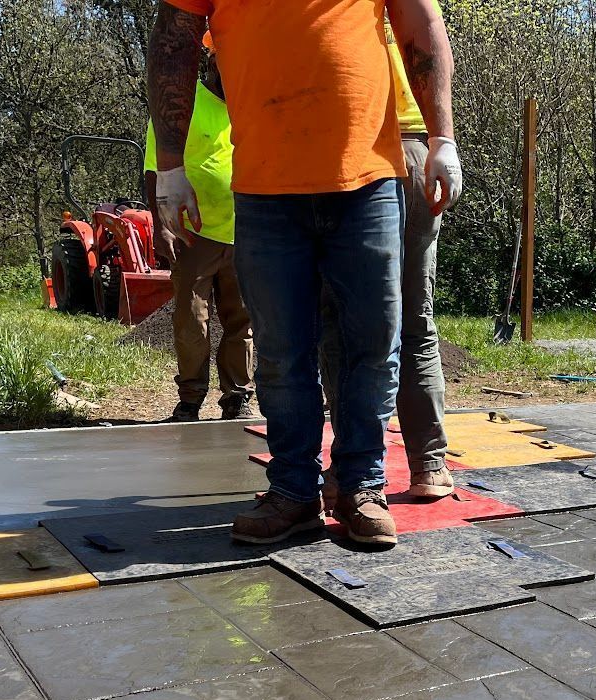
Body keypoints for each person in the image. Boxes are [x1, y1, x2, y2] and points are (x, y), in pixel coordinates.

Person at [147, 0, 461, 548]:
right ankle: (293, 492)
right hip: (267, 190)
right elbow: (174, 43)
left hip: (366, 180)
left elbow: (420, 25)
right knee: (280, 351)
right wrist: (170, 165)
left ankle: (362, 488)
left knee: (373, 343)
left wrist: (443, 138)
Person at [319, 16, 460, 503]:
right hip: (412, 144)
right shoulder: (401, 10)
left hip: (353, 150)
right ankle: (428, 464)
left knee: (339, 320)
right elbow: (431, 49)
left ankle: (350, 470)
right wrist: (444, 141)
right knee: (414, 319)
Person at [143, 34, 254, 423]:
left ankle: (237, 397)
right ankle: (190, 399)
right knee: (192, 318)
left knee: (242, 320)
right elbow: (153, 168)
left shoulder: (250, 105)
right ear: (213, 61)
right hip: (194, 233)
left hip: (246, 233)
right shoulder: (183, 104)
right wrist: (161, 224)